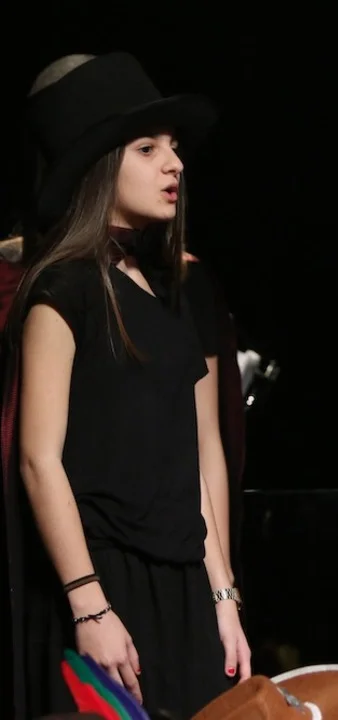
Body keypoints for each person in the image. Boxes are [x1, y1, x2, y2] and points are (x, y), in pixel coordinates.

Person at [1, 52, 250, 719]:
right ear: (99, 165)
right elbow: (38, 459)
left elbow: (192, 456)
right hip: (106, 580)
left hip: (182, 581)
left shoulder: (166, 291)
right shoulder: (64, 289)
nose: (175, 164)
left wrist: (222, 594)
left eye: (174, 147)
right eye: (148, 148)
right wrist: (90, 605)